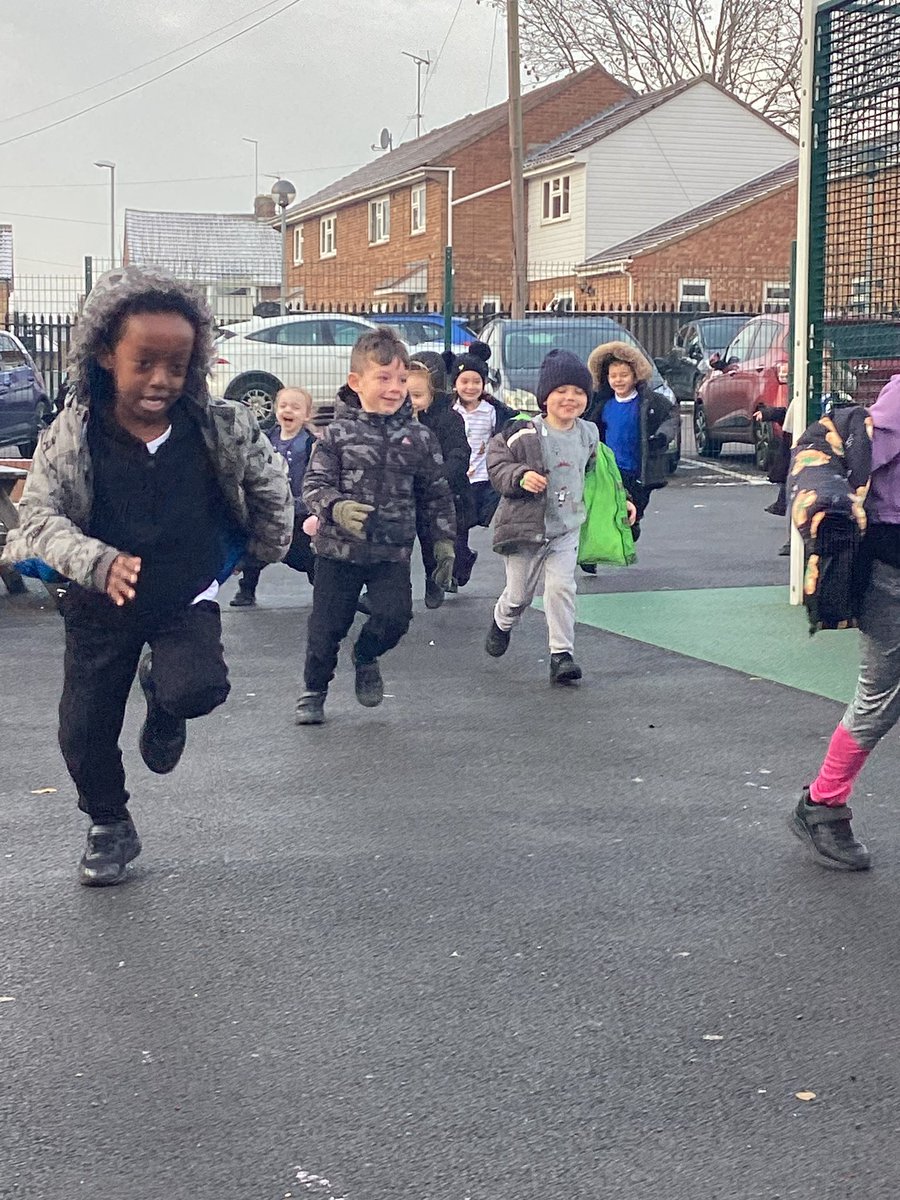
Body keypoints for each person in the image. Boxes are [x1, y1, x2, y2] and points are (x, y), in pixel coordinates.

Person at [0, 266, 293, 886]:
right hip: (98, 602)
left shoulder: (220, 424)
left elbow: (268, 481)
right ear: (106, 355)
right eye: (144, 363)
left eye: (178, 364)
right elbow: (37, 519)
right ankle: (109, 824)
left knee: (198, 688)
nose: (161, 379)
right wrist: (96, 562)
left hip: (183, 592)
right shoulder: (73, 434)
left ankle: (164, 701)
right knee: (84, 728)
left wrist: (270, 544)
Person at [295, 327, 456, 725]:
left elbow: (435, 494)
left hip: (391, 551)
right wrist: (337, 507)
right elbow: (313, 486)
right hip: (337, 551)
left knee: (395, 618)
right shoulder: (336, 434)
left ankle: (366, 655)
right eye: (383, 378)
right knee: (326, 628)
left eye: (401, 380)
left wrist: (444, 543)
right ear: (357, 382)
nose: (393, 388)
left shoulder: (419, 437)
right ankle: (313, 691)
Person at [789, 374, 900, 872]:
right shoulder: (894, 410)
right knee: (881, 697)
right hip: (890, 574)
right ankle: (823, 804)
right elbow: (848, 466)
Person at [484, 349, 635, 684]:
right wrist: (521, 476)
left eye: (579, 392)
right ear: (545, 397)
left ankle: (561, 655)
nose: (570, 398)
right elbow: (497, 463)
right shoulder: (524, 431)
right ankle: (502, 621)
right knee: (519, 595)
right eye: (561, 392)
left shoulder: (589, 433)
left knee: (561, 588)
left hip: (566, 529)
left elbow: (601, 475)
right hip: (526, 528)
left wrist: (622, 500)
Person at [231, 386, 318, 606]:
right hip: (269, 508)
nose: (288, 410)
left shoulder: (310, 444)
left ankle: (324, 591)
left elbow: (316, 475)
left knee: (305, 557)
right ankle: (246, 591)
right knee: (256, 551)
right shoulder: (266, 439)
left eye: (296, 407)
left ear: (306, 415)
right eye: (283, 405)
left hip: (298, 511)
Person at [585, 341, 678, 543]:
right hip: (610, 468)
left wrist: (661, 437)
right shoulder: (603, 405)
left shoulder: (648, 402)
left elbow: (671, 417)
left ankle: (632, 526)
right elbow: (587, 428)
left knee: (635, 508)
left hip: (638, 469)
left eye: (624, 375)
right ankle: (593, 553)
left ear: (636, 376)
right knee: (605, 508)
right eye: (613, 376)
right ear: (606, 378)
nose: (618, 380)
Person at [407, 359, 473, 608]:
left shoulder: (448, 419)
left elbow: (459, 452)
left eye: (417, 395)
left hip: (441, 492)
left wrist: (440, 476)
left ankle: (434, 578)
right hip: (405, 493)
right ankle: (399, 587)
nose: (411, 402)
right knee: (399, 542)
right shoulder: (395, 421)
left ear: (431, 394)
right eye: (406, 396)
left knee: (432, 539)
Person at [450, 341, 517, 586]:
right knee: (459, 530)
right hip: (460, 481)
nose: (470, 387)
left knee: (494, 515)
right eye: (464, 382)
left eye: (476, 381)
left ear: (484, 384)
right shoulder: (450, 411)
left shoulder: (492, 411)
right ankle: (462, 561)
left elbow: (505, 433)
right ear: (455, 384)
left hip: (485, 480)